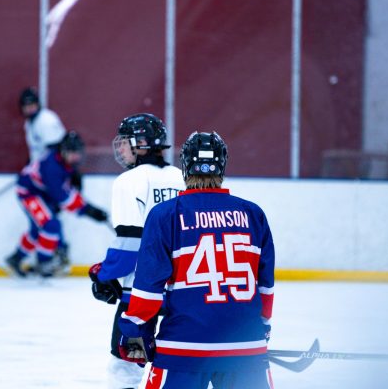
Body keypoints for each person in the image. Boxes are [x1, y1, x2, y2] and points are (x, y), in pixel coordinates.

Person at [117, 131, 275, 389]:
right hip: (246, 348)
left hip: (182, 350)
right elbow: (265, 287)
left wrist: (136, 332)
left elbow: (148, 290)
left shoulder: (165, 215)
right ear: (222, 165)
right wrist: (260, 329)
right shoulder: (253, 214)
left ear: (185, 167)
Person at [88, 113, 185, 388]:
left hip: (141, 295)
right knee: (183, 364)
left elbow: (130, 245)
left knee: (125, 366)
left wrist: (104, 274)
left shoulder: (129, 181)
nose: (119, 148)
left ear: (141, 143)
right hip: (186, 290)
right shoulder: (181, 177)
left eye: (124, 142)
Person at [6, 131, 108, 278]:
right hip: (29, 193)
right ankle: (44, 263)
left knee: (38, 230)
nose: (75, 157)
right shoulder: (52, 167)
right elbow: (63, 198)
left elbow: (66, 192)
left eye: (77, 153)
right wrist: (89, 210)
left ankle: (16, 258)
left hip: (42, 193)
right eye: (72, 153)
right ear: (64, 151)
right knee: (51, 225)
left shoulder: (64, 161)